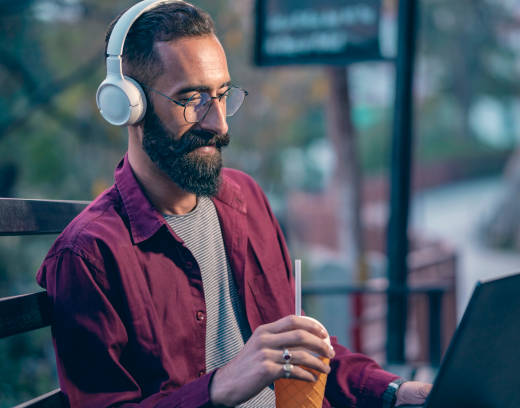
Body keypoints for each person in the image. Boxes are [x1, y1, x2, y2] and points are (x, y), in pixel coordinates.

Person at [36, 1, 432, 407]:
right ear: (128, 105)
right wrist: (220, 386)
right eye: (192, 100)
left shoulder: (246, 198)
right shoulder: (88, 256)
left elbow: (301, 348)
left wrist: (395, 392)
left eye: (222, 95)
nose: (219, 123)